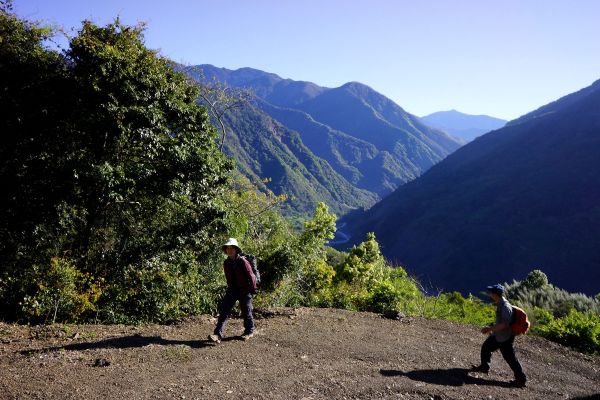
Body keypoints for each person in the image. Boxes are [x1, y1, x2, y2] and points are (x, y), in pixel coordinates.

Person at [471, 284, 527, 388]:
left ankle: (521, 380)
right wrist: (493, 328)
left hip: (505, 338)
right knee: (486, 347)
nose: (490, 294)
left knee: (510, 359)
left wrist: (490, 329)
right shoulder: (500, 303)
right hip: (498, 336)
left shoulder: (505, 307)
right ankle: (484, 367)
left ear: (496, 294)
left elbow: (504, 325)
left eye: (491, 292)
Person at [208, 238, 257, 343]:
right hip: (233, 290)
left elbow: (251, 276)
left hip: (244, 290)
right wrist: (230, 288)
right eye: (227, 248)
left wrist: (252, 290)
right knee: (224, 311)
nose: (229, 250)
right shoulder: (226, 263)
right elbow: (228, 277)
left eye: (231, 248)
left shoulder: (243, 261)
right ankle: (217, 334)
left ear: (236, 249)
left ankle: (249, 331)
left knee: (246, 312)